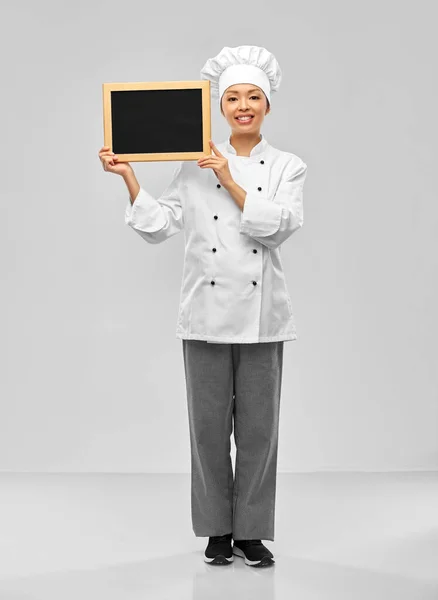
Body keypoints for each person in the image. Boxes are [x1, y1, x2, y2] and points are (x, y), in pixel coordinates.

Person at [98, 45, 308, 569]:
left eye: (253, 97)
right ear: (219, 107)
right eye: (233, 97)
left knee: (259, 432)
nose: (243, 105)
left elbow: (278, 226)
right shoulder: (192, 169)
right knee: (208, 431)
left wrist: (231, 179)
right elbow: (159, 226)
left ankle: (252, 532)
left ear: (267, 105)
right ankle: (218, 530)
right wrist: (127, 175)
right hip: (203, 317)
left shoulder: (288, 166)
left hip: (263, 320)